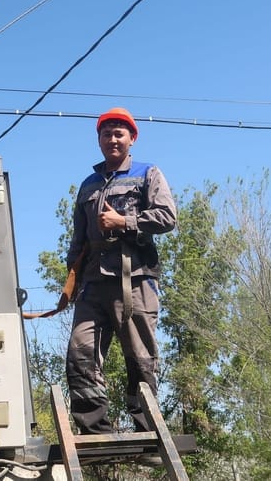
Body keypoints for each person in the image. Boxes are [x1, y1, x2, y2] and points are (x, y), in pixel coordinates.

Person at [65, 107, 177, 434]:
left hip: (135, 279)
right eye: (106, 133)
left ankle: (148, 432)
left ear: (132, 139)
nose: (112, 138)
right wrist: (70, 284)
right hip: (93, 284)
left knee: (140, 357)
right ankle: (94, 432)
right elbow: (79, 239)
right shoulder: (88, 185)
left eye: (119, 133)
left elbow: (167, 217)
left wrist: (123, 222)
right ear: (98, 139)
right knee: (80, 352)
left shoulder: (147, 173)